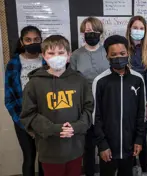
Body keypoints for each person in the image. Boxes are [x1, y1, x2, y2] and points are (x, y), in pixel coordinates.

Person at [20, 35, 93, 176]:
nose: (56, 57)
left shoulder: (79, 80)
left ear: (68, 56)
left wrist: (77, 126)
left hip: (75, 146)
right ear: (44, 56)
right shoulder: (34, 84)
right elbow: (28, 114)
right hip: (49, 149)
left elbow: (89, 107)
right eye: (51, 53)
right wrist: (54, 129)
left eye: (61, 53)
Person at [93, 35, 145, 176]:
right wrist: (102, 144)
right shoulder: (100, 81)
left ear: (128, 53)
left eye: (122, 54)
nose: (118, 57)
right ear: (107, 56)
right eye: (113, 54)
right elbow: (96, 116)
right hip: (108, 147)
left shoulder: (137, 80)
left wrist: (139, 139)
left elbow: (141, 113)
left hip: (130, 146)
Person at [70, 17, 109, 176]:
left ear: (100, 33)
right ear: (82, 33)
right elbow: (72, 81)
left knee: (106, 142)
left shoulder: (107, 52)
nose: (91, 34)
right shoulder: (76, 55)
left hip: (106, 105)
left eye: (94, 31)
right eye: (87, 31)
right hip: (85, 106)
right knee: (88, 146)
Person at [4, 25, 44, 176]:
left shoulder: (47, 61)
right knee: (29, 157)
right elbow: (9, 98)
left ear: (41, 41)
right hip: (23, 118)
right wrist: (23, 124)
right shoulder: (14, 63)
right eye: (28, 40)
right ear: (22, 41)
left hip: (45, 118)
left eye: (36, 39)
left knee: (44, 158)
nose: (32, 42)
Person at [126, 15, 147, 176]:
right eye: (135, 27)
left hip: (142, 101)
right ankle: (131, 167)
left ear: (145, 31)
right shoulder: (123, 50)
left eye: (141, 28)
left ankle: (144, 169)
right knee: (128, 136)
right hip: (125, 100)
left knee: (141, 137)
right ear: (129, 29)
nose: (138, 31)